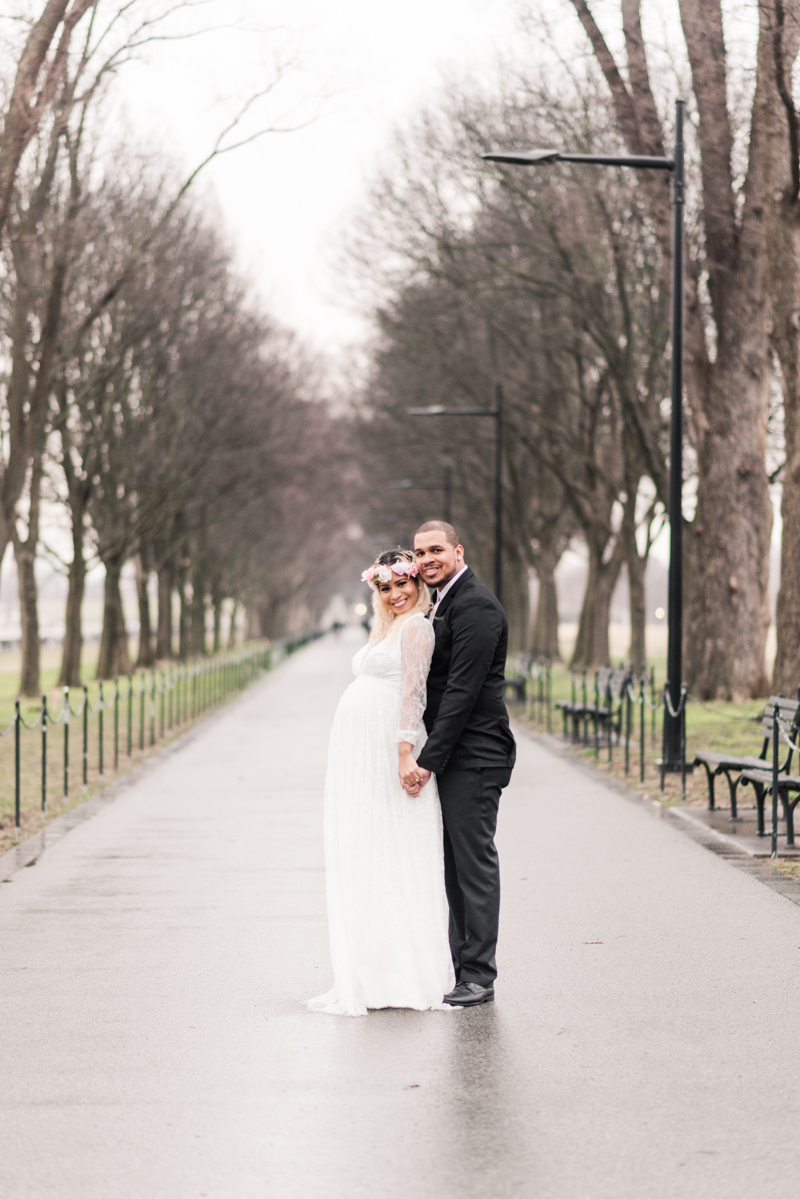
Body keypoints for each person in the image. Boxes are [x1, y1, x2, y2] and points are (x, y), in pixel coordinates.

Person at [308, 549, 455, 1016]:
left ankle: (401, 972)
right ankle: (370, 970)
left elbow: (414, 692)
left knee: (395, 849)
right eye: (385, 588)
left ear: (417, 583)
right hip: (360, 755)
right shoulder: (387, 627)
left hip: (390, 749)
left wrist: (404, 752)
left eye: (402, 584)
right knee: (367, 849)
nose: (395, 594)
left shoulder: (417, 626)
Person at [400, 521, 516, 1008]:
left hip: (476, 755)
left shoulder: (477, 607)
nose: (426, 559)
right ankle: (460, 966)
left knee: (473, 865)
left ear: (457, 550)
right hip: (457, 755)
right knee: (452, 867)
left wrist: (426, 759)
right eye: (419, 552)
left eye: (436, 550)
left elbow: (462, 694)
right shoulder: (443, 601)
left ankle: (479, 975)